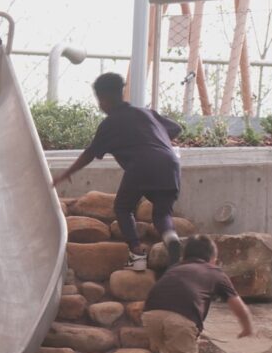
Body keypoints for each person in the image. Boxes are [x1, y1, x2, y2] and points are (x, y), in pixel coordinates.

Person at [53, 72, 183, 270]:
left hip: (141, 165)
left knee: (123, 208)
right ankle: (171, 239)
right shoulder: (146, 113)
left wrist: (67, 173)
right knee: (162, 213)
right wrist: (155, 140)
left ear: (103, 98)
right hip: (170, 164)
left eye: (99, 100)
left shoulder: (110, 124)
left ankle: (137, 254)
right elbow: (176, 128)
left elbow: (90, 153)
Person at [142, 235, 253, 353]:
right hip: (179, 320)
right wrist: (247, 327)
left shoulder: (175, 268)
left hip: (150, 316)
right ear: (213, 259)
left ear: (184, 257)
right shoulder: (215, 272)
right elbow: (238, 306)